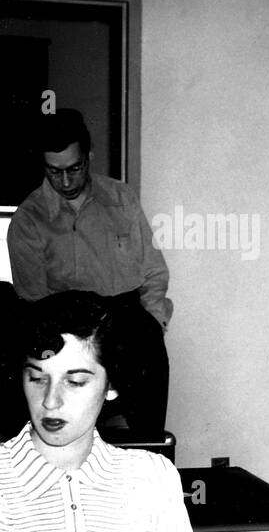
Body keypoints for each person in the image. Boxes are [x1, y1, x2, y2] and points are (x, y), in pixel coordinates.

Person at [0, 291, 216, 532]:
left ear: (111, 385)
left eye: (75, 381)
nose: (50, 401)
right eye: (37, 378)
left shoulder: (152, 476)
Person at [6, 109, 172, 436]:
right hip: (66, 330)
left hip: (128, 325)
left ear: (89, 157)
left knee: (145, 438)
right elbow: (36, 305)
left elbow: (153, 271)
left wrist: (154, 323)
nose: (65, 181)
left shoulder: (121, 198)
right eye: (54, 171)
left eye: (74, 168)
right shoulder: (28, 219)